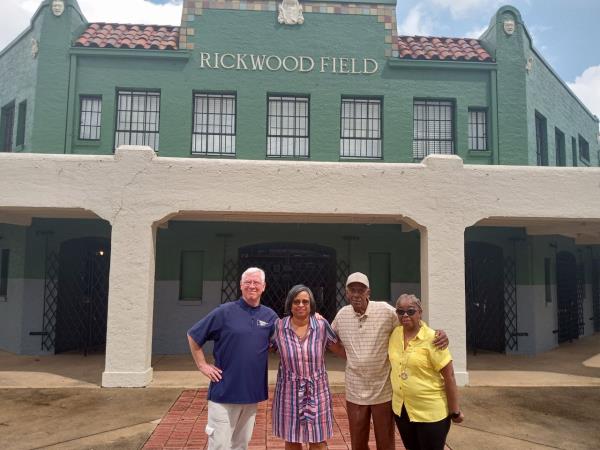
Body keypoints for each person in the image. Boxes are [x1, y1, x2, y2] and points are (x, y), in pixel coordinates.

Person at [332, 272, 448, 450]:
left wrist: (436, 333)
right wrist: (351, 356)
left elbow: (409, 322)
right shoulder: (342, 315)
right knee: (357, 440)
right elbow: (331, 341)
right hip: (355, 389)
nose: (356, 294)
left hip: (383, 389)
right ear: (346, 293)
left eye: (360, 290)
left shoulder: (385, 311)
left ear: (368, 292)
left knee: (385, 440)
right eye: (352, 290)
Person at [187, 267, 277, 450]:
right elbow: (193, 335)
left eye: (256, 282)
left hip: (252, 394)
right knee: (219, 445)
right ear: (241, 286)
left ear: (264, 286)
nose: (252, 286)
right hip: (224, 392)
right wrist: (202, 365)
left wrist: (313, 318)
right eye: (248, 282)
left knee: (241, 445)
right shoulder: (224, 312)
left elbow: (285, 341)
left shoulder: (270, 317)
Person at [271, 285, 345, 450]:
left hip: (317, 391)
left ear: (311, 305)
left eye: (305, 301)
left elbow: (338, 348)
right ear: (290, 304)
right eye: (296, 301)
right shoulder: (279, 328)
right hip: (288, 392)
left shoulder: (321, 325)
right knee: (292, 439)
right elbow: (263, 349)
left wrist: (361, 361)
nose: (301, 305)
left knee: (318, 440)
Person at [389, 294, 464, 450]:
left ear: (420, 312)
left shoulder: (433, 338)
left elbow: (449, 376)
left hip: (430, 413)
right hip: (402, 410)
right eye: (400, 311)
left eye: (410, 311)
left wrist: (455, 411)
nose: (405, 315)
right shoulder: (395, 334)